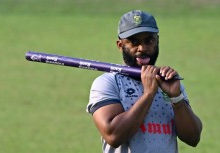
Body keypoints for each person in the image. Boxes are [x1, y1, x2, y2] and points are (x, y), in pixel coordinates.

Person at [86, 10, 202, 153]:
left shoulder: (169, 83)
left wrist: (176, 99)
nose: (142, 48)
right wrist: (148, 94)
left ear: (157, 41)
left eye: (149, 41)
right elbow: (113, 135)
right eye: (134, 42)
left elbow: (193, 138)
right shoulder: (107, 83)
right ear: (120, 45)